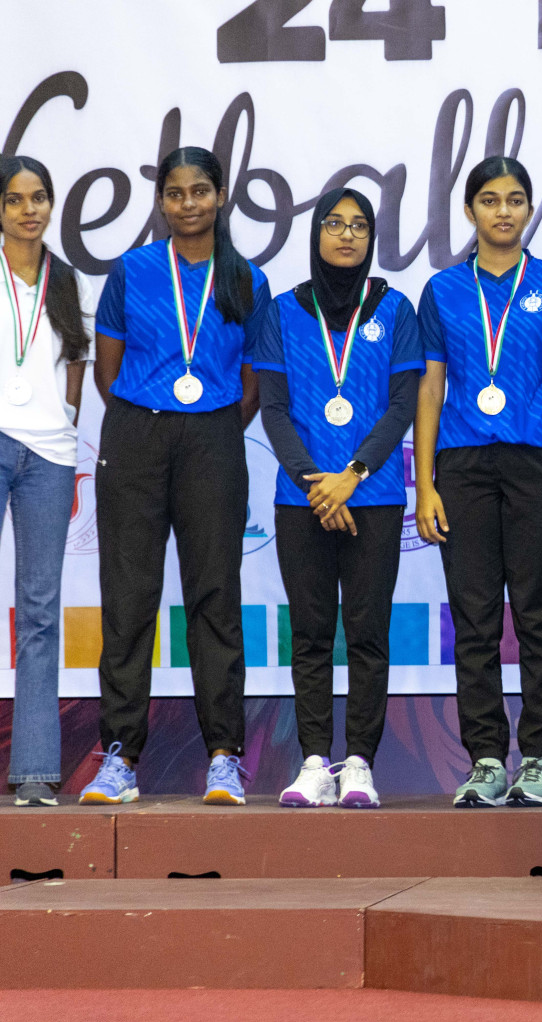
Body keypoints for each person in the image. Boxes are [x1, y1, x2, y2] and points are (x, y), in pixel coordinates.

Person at [83, 147, 270, 805]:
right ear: (161, 202)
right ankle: (121, 757)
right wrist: (149, 415)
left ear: (220, 197)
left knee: (214, 595)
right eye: (175, 193)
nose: (188, 203)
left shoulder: (245, 277)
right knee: (129, 598)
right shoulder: (132, 271)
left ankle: (224, 755)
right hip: (135, 433)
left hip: (213, 438)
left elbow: (253, 382)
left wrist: (210, 423)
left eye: (200, 191)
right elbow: (107, 371)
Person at [415, 156, 542, 809]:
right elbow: (431, 387)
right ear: (470, 211)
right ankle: (486, 758)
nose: (504, 211)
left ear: (528, 210)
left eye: (516, 199)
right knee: (476, 617)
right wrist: (426, 483)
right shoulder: (442, 291)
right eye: (490, 200)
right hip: (462, 464)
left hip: (541, 461)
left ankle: (538, 758)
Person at [253, 188, 423, 808]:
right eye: (334, 223)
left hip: (372, 496)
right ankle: (315, 762)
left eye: (359, 225)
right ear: (316, 234)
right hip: (301, 500)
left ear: (372, 237)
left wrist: (351, 474)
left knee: (369, 633)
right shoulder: (280, 312)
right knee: (311, 635)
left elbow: (402, 405)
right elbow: (273, 410)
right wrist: (313, 482)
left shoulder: (396, 310)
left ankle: (360, 764)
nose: (347, 235)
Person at [0, 157, 94, 807]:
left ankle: (34, 770)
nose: (29, 209)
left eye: (39, 198)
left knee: (37, 613)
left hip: (49, 459)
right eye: (14, 200)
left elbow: (77, 363)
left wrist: (64, 423)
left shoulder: (66, 281)